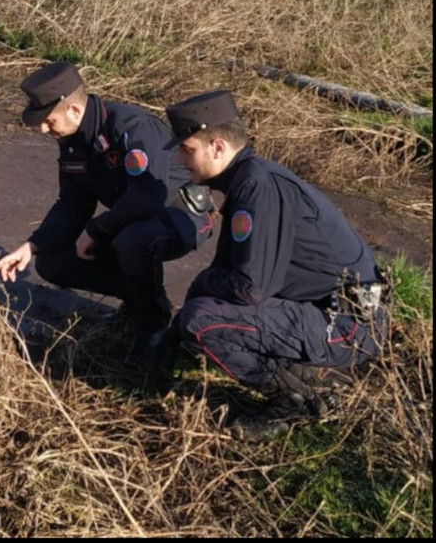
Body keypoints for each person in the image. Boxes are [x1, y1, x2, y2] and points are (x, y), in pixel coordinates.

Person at [164, 89, 386, 437]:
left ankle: (298, 401)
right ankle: (297, 380)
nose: (180, 160)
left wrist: (194, 310)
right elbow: (228, 271)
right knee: (204, 300)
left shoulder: (258, 188)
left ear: (218, 147)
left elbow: (250, 289)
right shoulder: (246, 180)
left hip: (350, 327)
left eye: (187, 149)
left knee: (202, 322)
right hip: (330, 310)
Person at [0, 61, 214, 366]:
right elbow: (72, 204)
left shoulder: (131, 127)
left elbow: (148, 196)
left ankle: (154, 325)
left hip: (181, 217)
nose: (43, 129)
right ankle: (138, 299)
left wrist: (97, 230)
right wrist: (31, 245)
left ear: (72, 110)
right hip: (130, 222)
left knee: (133, 240)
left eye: (49, 120)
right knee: (52, 262)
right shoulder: (73, 141)